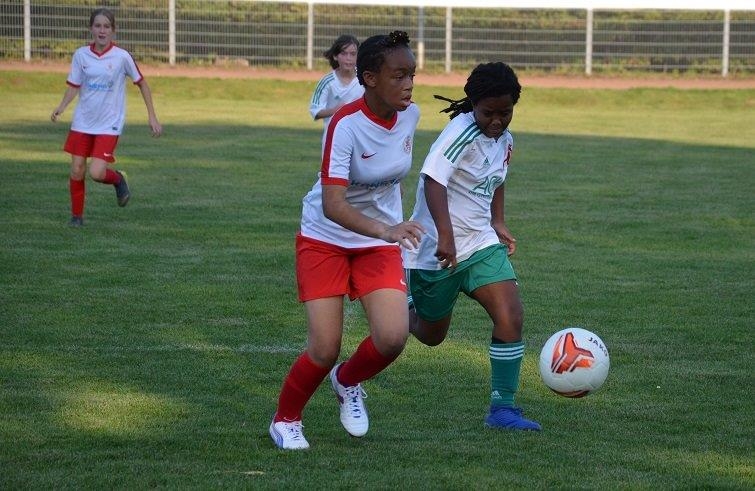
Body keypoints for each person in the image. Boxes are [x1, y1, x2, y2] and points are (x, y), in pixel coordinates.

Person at [270, 31, 423, 450]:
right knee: (324, 347)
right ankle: (286, 420)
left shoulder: (410, 115)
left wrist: (392, 226)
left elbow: (391, 178)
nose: (409, 84)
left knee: (392, 337)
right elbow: (333, 203)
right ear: (370, 78)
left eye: (412, 74)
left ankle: (347, 380)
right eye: (399, 76)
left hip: (378, 241)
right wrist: (387, 230)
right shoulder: (344, 124)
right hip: (326, 237)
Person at [403, 62, 541, 431]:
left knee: (511, 315)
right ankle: (401, 305)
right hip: (436, 251)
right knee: (431, 336)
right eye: (488, 113)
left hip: (480, 244)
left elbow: (497, 178)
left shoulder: (505, 140)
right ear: (473, 104)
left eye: (505, 113)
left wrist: (498, 221)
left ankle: (503, 410)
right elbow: (433, 180)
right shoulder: (460, 132)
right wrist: (445, 236)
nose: (497, 121)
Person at [51, 7, 162, 227]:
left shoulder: (122, 57)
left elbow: (142, 84)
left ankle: (118, 179)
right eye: (98, 26)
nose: (102, 30)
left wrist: (152, 116)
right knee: (77, 169)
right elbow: (74, 86)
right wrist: (61, 106)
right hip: (83, 121)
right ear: (91, 28)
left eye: (106, 26)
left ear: (113, 30)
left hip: (109, 124)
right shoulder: (81, 55)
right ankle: (76, 217)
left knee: (96, 172)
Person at [309, 35, 364, 145]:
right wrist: (336, 110)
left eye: (353, 54)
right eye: (344, 53)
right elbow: (315, 111)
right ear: (335, 56)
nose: (348, 58)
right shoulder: (327, 81)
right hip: (334, 139)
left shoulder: (365, 79)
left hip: (361, 138)